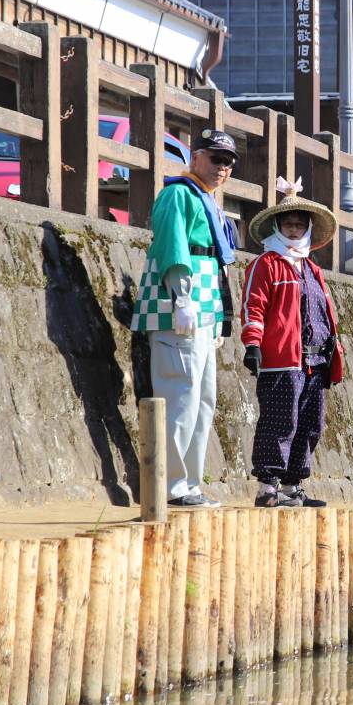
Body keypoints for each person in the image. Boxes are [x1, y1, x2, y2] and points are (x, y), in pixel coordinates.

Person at [129, 129, 239, 507]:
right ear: (196, 158)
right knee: (181, 394)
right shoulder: (178, 193)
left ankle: (189, 483)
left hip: (204, 309)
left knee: (202, 398)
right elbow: (173, 245)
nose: (221, 168)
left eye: (227, 163)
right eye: (215, 159)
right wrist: (181, 298)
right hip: (182, 304)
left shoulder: (207, 200)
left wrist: (218, 317)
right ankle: (174, 485)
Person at [241, 178, 344, 508]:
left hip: (315, 362)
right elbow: (253, 304)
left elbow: (323, 313)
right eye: (289, 223)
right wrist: (252, 343)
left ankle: (292, 487)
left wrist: (332, 350)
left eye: (300, 224)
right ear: (277, 226)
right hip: (282, 359)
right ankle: (268, 486)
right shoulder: (266, 263)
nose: (295, 229)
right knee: (279, 420)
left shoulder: (313, 269)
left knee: (310, 424)